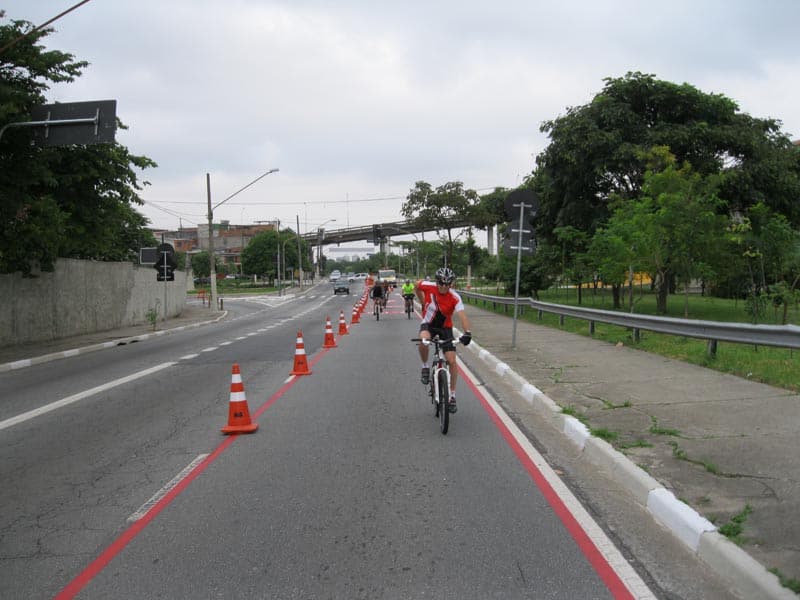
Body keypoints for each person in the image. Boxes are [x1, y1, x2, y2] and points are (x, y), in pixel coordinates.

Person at [415, 267, 472, 413]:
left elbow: (462, 315)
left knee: (452, 361)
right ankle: (425, 367)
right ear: (437, 282)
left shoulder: (454, 297)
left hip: (445, 328)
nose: (444, 287)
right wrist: (422, 301)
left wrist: (467, 333)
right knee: (423, 340)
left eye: (448, 284)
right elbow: (417, 285)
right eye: (441, 283)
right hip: (429, 324)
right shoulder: (428, 286)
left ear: (451, 284)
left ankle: (452, 395)